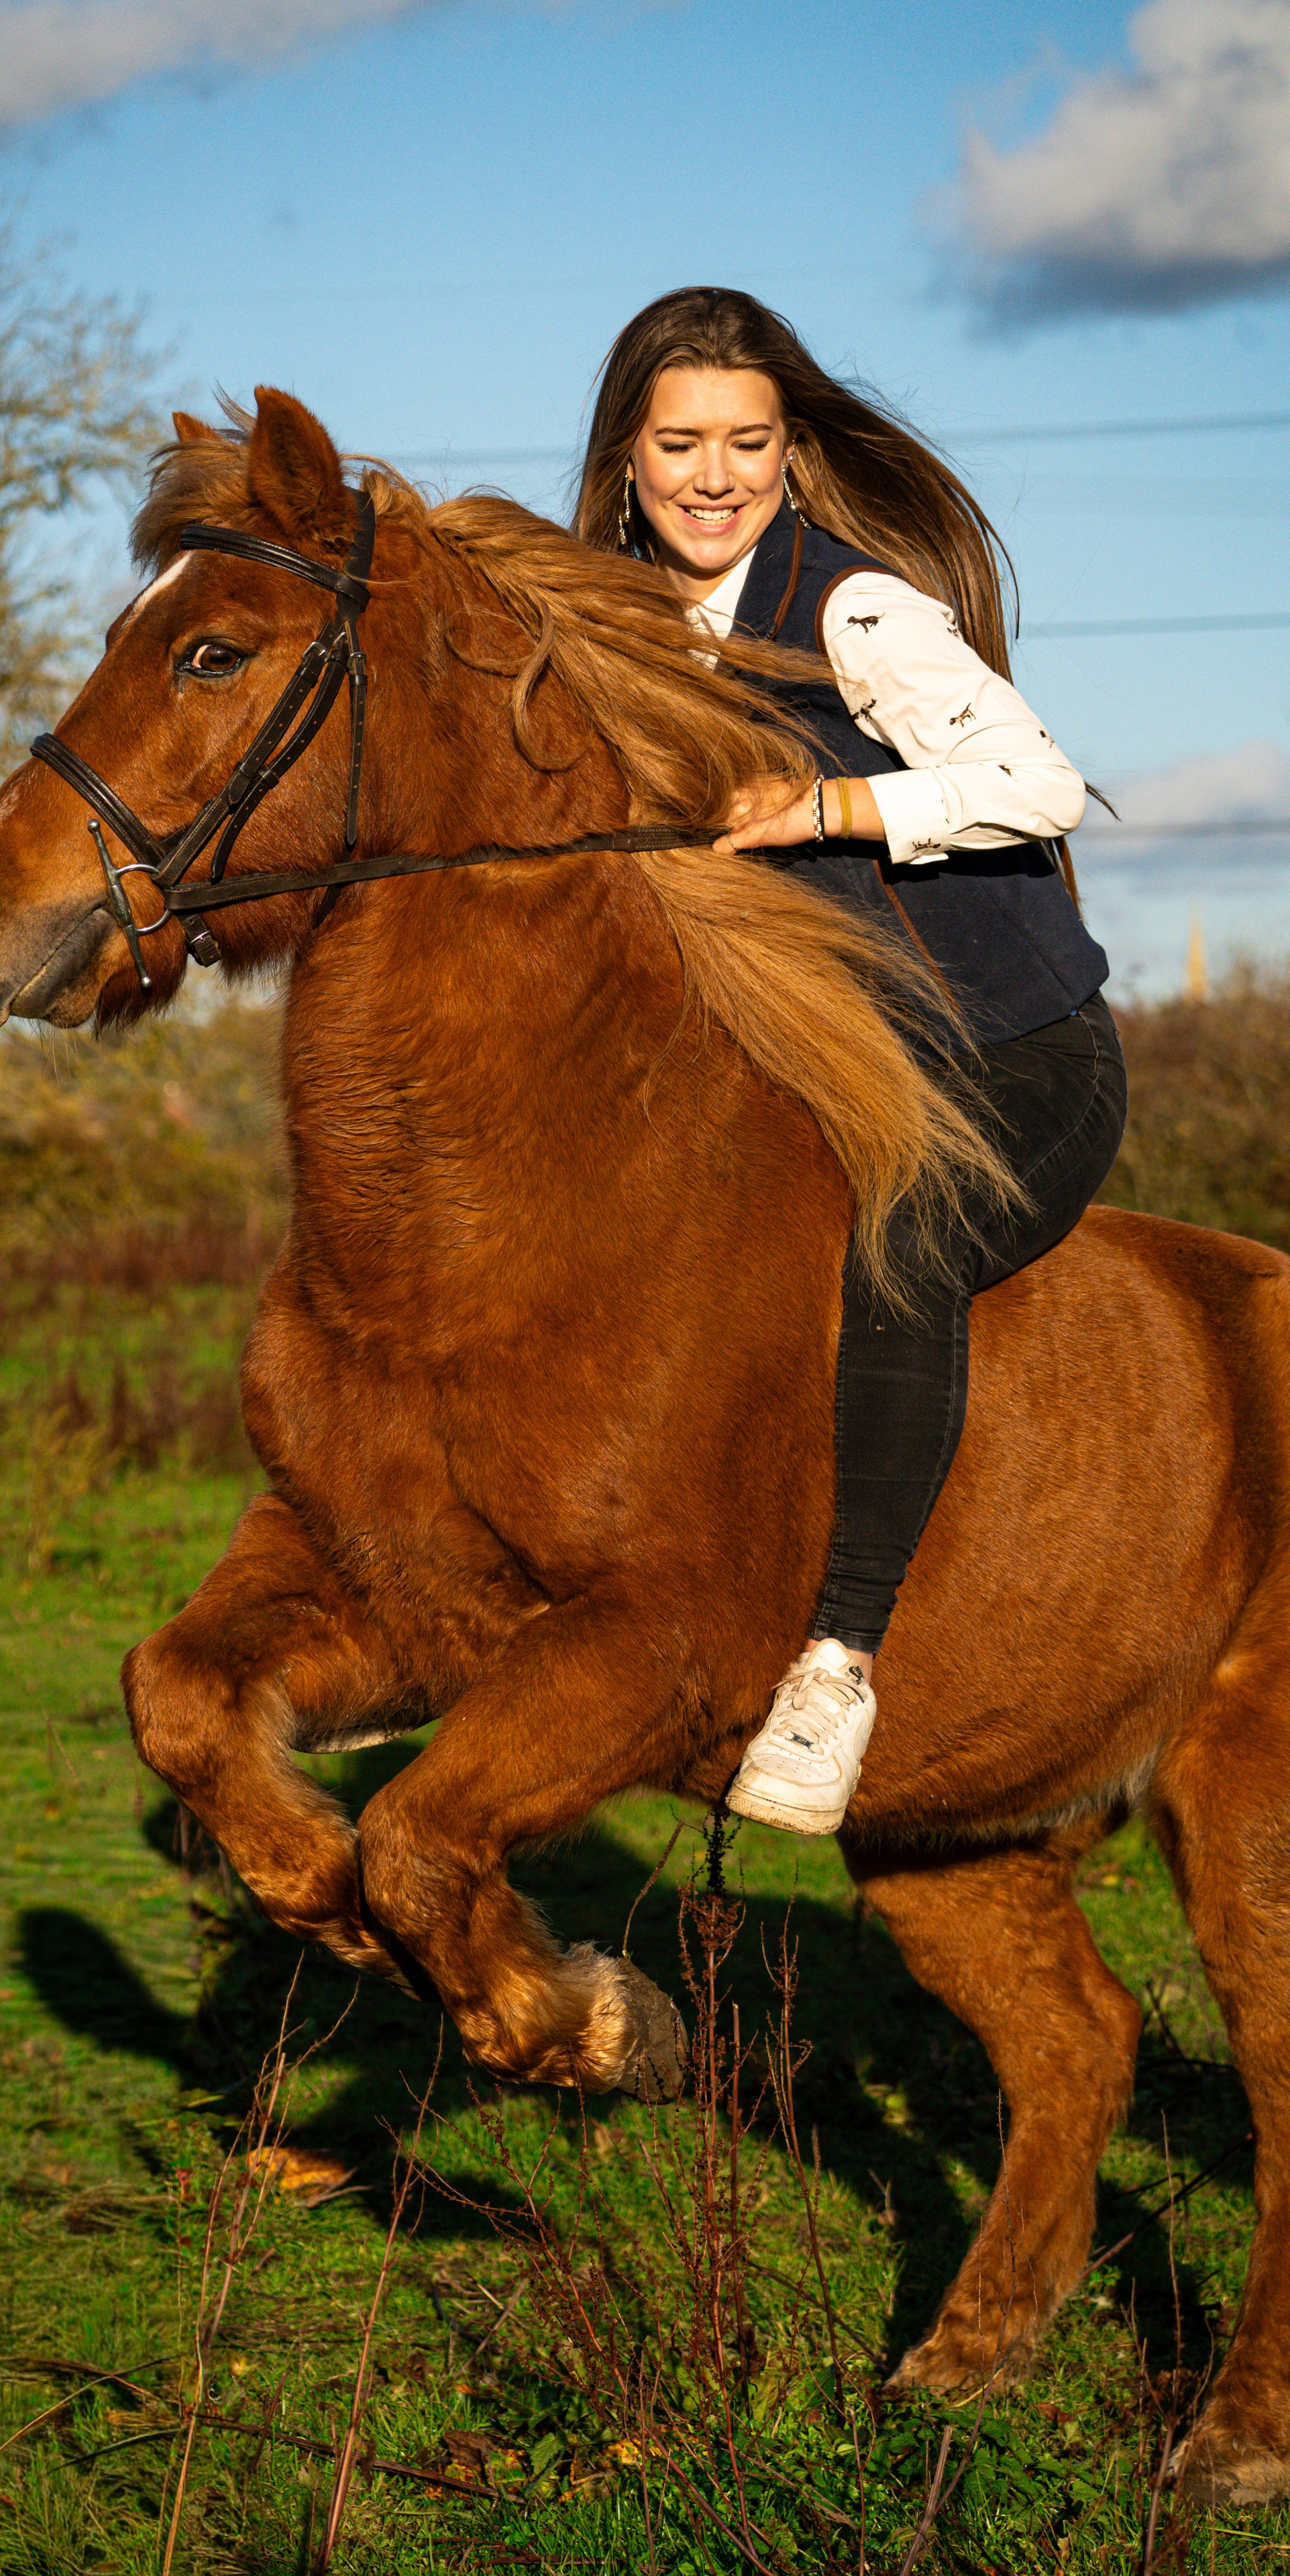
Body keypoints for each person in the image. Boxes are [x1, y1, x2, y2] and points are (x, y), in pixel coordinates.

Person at [574, 287, 1127, 1837]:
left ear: (790, 453)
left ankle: (836, 1667)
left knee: (899, 1249)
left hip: (1015, 1061)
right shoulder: (611, 621)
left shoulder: (857, 612)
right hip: (821, 1082)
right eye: (678, 443)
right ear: (624, 459)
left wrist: (829, 810)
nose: (711, 474)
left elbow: (1040, 783)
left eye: (746, 442)